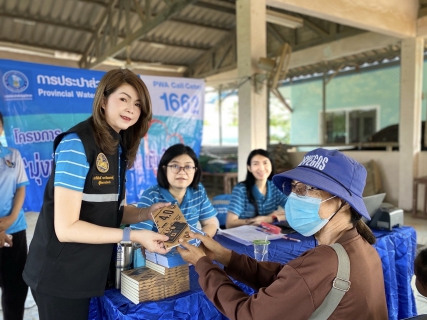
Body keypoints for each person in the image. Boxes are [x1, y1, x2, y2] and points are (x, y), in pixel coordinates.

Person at [22, 69, 170, 320]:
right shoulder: (77, 144)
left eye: (137, 104)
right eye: (123, 99)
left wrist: (147, 212)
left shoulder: (117, 147)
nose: (131, 109)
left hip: (90, 271)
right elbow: (66, 228)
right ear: (103, 101)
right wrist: (135, 235)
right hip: (60, 275)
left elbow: (113, 210)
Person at [177, 148, 388, 319]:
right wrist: (225, 256)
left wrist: (202, 264)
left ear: (342, 202)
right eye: (295, 187)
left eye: (308, 189)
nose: (295, 197)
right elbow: (288, 280)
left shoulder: (325, 261)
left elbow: (248, 314)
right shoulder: (361, 248)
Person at [132, 143, 219, 237]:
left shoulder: (198, 191)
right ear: (164, 169)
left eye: (188, 167)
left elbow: (211, 223)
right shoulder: (151, 195)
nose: (182, 172)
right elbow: (140, 236)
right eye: (175, 166)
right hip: (158, 250)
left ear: (195, 170)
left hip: (191, 249)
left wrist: (199, 244)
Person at [0, 112, 29, 320]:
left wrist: (9, 220)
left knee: (16, 289)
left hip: (15, 229)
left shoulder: (12, 155)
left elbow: (20, 188)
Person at [226, 149, 287, 228]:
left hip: (267, 235)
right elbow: (230, 223)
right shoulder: (241, 189)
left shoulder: (276, 187)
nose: (261, 168)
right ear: (249, 168)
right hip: (244, 235)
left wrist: (270, 218)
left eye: (265, 163)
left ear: (271, 165)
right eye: (255, 164)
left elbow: (296, 210)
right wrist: (265, 219)